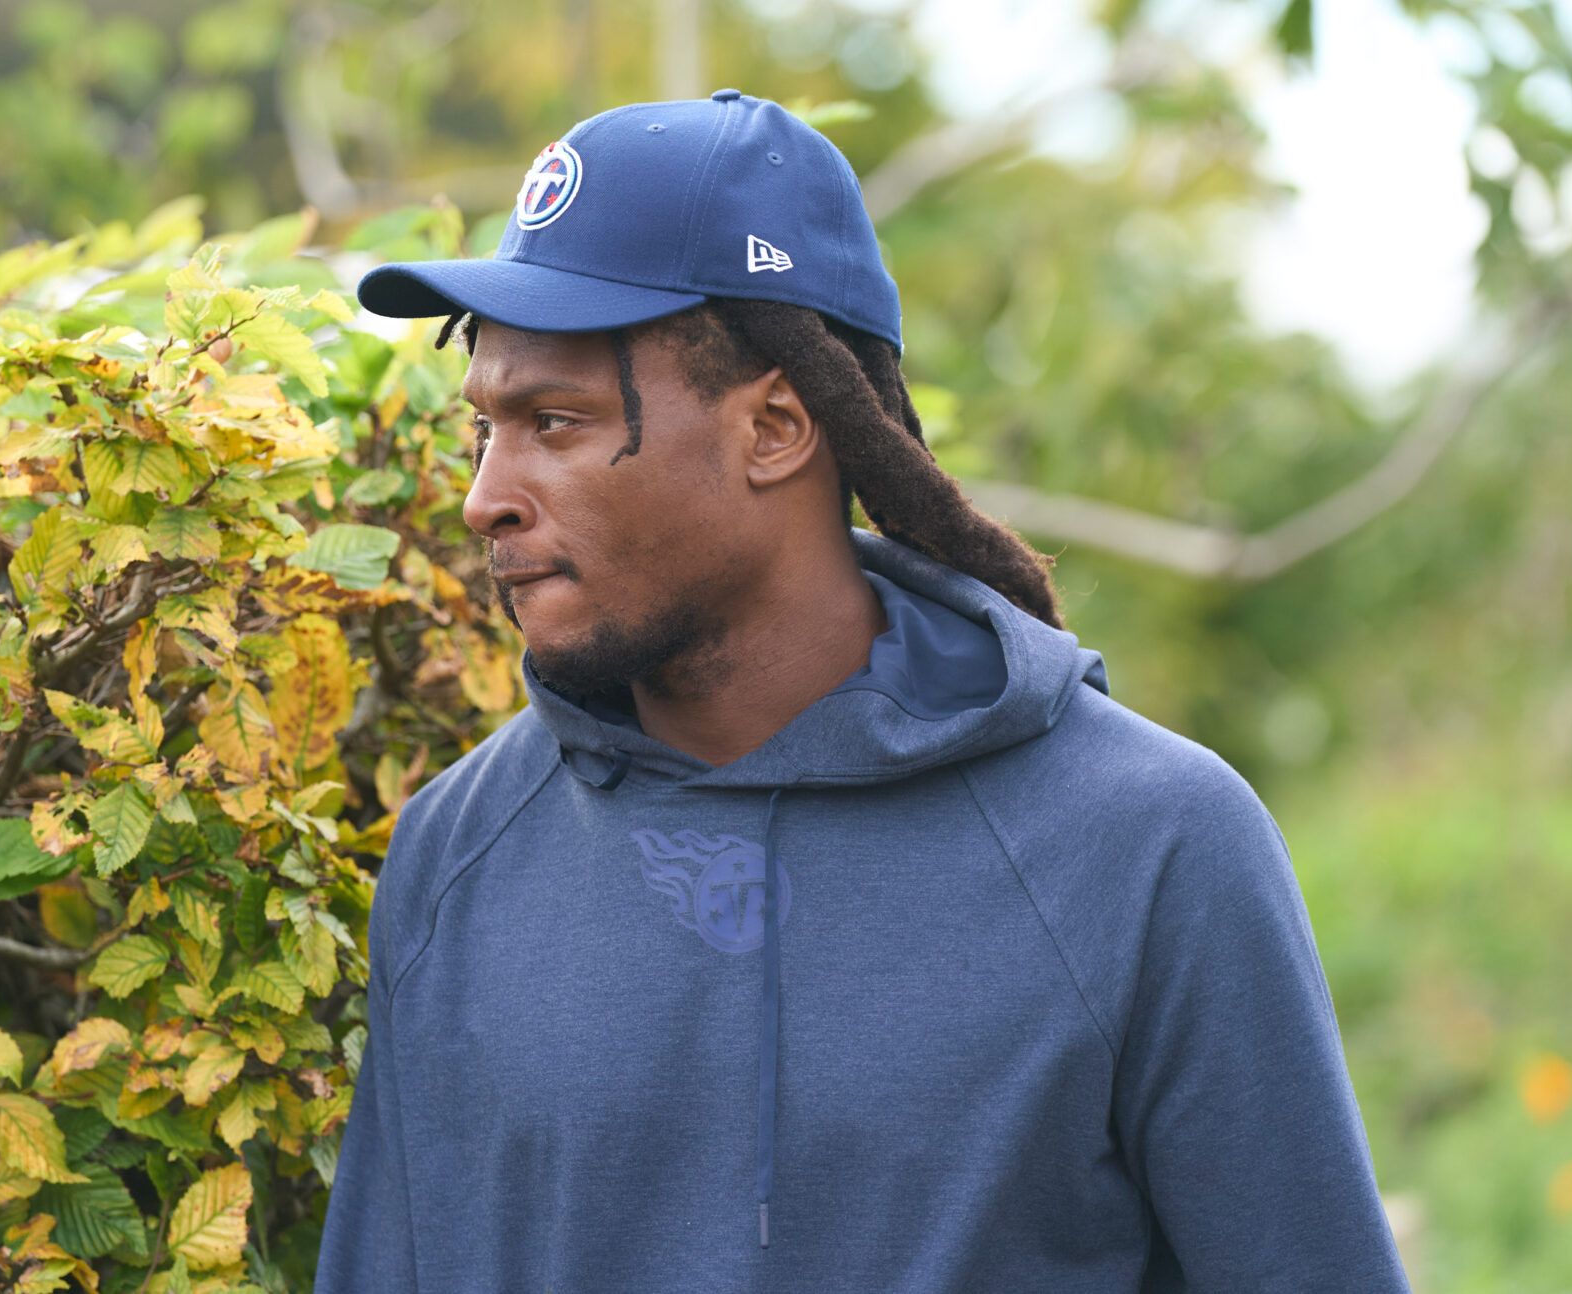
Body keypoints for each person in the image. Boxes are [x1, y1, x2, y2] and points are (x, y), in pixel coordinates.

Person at [314, 89, 1411, 1292]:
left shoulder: (1147, 848)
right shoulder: (456, 853)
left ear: (777, 427)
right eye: (486, 429)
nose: (485, 496)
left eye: (555, 422)